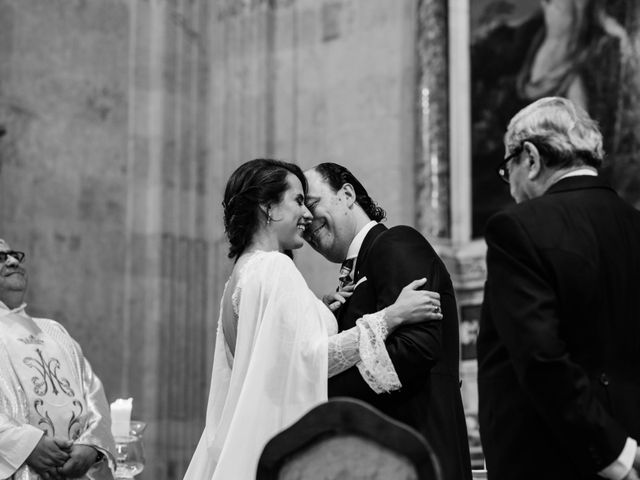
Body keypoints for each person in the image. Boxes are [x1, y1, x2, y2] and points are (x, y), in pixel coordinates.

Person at [183, 159, 443, 480]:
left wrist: (319, 312)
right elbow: (309, 359)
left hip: (248, 440)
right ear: (268, 208)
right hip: (286, 440)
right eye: (297, 201)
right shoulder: (276, 268)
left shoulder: (239, 277)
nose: (306, 214)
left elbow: (270, 363)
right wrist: (388, 318)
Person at [478, 96, 640, 479]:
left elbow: (541, 358)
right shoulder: (635, 225)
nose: (511, 188)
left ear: (531, 158)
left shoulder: (517, 227)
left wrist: (616, 455)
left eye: (508, 169)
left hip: (555, 459)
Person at [303, 163, 472, 480]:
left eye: (311, 203)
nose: (306, 220)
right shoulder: (353, 278)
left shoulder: (396, 243)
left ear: (348, 194)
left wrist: (314, 385)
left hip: (421, 457)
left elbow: (415, 349)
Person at [0, 239, 115, 480]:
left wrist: (90, 448)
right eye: (1, 258)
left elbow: (93, 394)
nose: (12, 261)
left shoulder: (54, 331)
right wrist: (27, 446)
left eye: (14, 255)